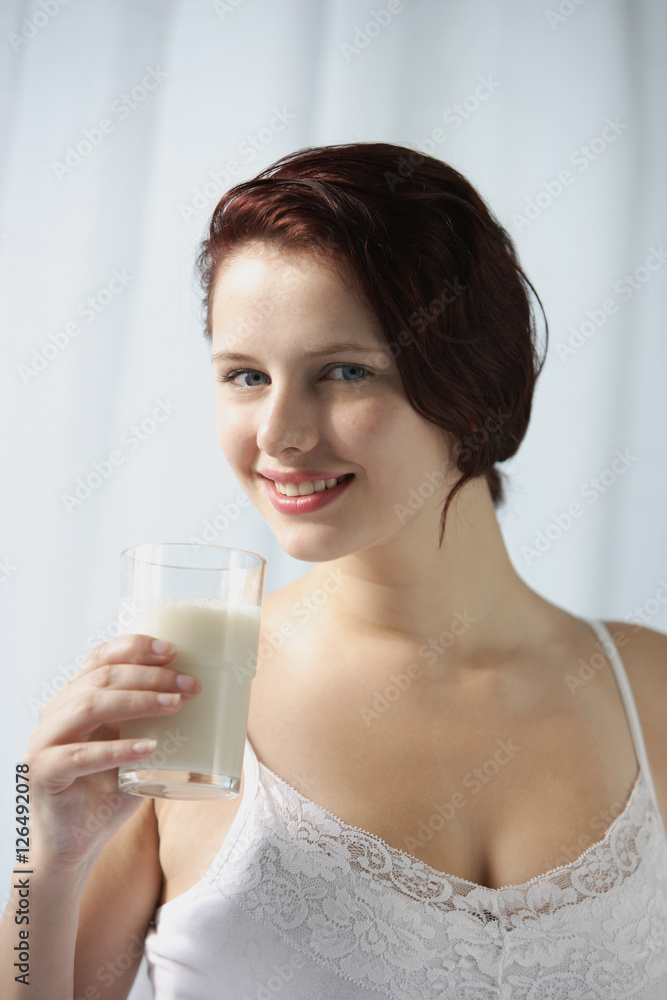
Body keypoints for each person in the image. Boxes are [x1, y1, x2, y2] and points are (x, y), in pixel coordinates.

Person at [2, 142, 667, 999]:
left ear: (471, 382)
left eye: (342, 371)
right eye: (245, 375)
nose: (278, 433)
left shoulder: (648, 692)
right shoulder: (188, 700)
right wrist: (41, 852)